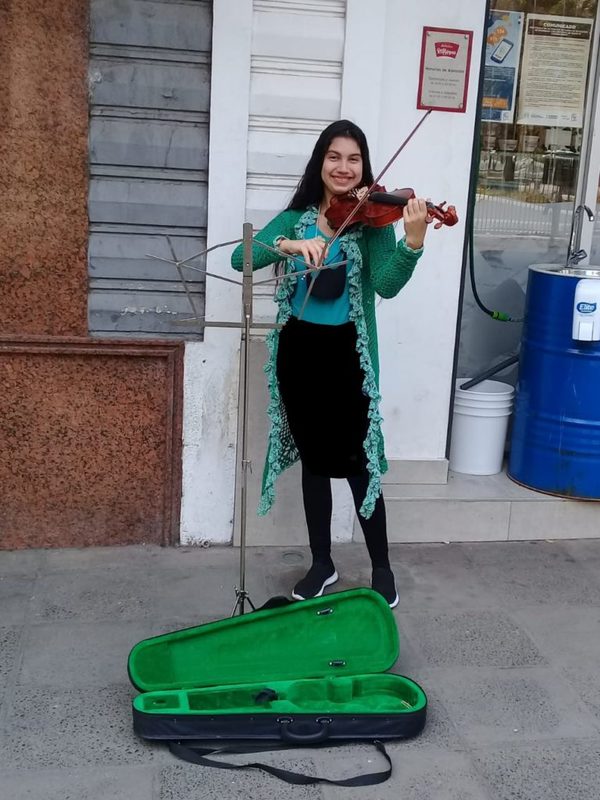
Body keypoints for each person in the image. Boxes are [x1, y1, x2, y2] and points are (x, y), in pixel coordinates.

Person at [232, 120, 429, 607]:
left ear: (364, 165)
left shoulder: (369, 220)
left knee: (361, 464)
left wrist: (414, 242)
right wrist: (287, 245)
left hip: (348, 355)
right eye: (334, 157)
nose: (344, 167)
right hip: (299, 353)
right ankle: (322, 564)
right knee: (315, 466)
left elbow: (385, 284)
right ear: (320, 163)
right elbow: (241, 258)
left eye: (354, 158)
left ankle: (381, 567)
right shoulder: (297, 217)